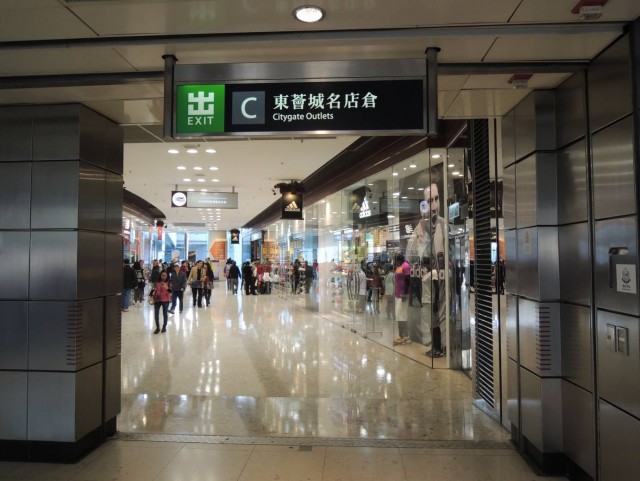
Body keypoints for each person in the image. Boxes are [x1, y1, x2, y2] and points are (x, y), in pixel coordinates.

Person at [405, 182, 448, 354]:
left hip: (441, 287)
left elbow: (450, 261)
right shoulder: (418, 231)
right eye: (429, 201)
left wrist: (436, 272)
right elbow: (410, 258)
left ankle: (440, 347)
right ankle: (434, 347)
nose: (434, 205)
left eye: (436, 199)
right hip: (426, 289)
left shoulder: (444, 226)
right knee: (429, 318)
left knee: (438, 316)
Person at [393, 254, 411, 345]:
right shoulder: (399, 267)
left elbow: (408, 281)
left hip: (403, 295)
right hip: (398, 294)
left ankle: (405, 336)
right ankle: (401, 335)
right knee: (398, 315)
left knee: (402, 315)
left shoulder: (406, 266)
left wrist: (404, 293)